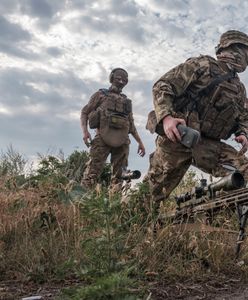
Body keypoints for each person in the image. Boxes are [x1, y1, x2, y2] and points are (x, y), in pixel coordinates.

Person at [145, 30, 248, 206]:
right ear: (233, 48)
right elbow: (163, 85)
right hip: (178, 138)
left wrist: (243, 132)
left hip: (207, 145)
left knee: (242, 171)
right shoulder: (203, 65)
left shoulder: (239, 88)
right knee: (152, 194)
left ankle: (219, 214)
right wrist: (167, 118)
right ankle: (126, 223)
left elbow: (243, 117)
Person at [80, 68, 145, 192]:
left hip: (122, 141)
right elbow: (84, 112)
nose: (121, 81)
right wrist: (85, 131)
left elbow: (131, 124)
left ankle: (114, 207)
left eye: (124, 79)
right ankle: (81, 204)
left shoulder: (126, 101)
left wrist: (140, 142)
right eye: (118, 78)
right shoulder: (100, 95)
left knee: (119, 177)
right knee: (92, 174)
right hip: (102, 139)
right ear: (111, 78)